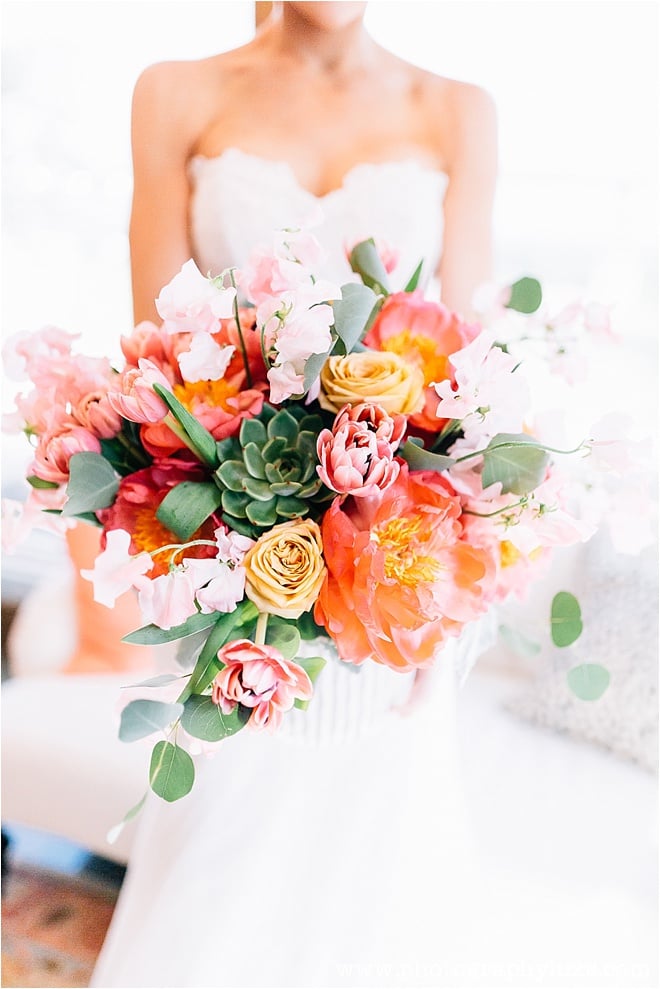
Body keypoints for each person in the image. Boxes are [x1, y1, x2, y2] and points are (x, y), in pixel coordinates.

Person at [92, 3, 498, 986]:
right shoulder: (175, 90)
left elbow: (470, 379)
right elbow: (155, 364)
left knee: (371, 895)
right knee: (216, 879)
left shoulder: (458, 109)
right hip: (231, 567)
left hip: (389, 570)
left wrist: (447, 596)